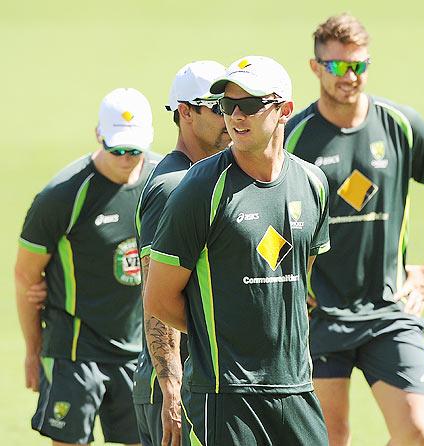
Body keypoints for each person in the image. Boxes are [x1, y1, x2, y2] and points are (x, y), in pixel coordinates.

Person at [285, 13, 424, 446]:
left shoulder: (400, 125)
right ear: (315, 68)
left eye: (358, 66)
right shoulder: (293, 136)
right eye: (337, 66)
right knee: (332, 437)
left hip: (389, 312)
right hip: (318, 316)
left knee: (420, 433)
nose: (350, 76)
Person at [144, 56, 331, 446]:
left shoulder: (313, 184)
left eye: (250, 105)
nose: (236, 116)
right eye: (228, 105)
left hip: (296, 387)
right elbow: (159, 299)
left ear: (284, 111)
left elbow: (298, 284)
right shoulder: (198, 188)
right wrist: (224, 335)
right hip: (225, 394)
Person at [15, 87, 161, 445]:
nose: (127, 157)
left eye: (135, 149)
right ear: (99, 135)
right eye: (117, 148)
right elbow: (25, 276)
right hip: (74, 351)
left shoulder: (163, 181)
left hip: (139, 350)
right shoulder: (63, 195)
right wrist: (34, 351)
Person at [133, 60, 229, 446]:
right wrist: (171, 387)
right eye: (218, 107)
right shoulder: (175, 185)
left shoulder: (202, 177)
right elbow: (157, 295)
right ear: (185, 112)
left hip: (197, 381)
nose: (231, 116)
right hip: (178, 388)